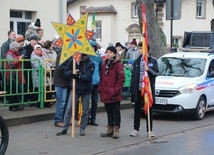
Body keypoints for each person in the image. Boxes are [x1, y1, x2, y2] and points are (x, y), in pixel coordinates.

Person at [56, 54, 95, 136]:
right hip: (75, 88)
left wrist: (78, 76)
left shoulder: (90, 63)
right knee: (69, 109)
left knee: (85, 110)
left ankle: (82, 129)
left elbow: (87, 77)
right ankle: (64, 128)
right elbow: (66, 72)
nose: (80, 58)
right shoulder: (72, 61)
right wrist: (71, 73)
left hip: (86, 89)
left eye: (82, 56)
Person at [129, 42, 159, 137]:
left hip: (147, 90)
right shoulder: (137, 61)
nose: (139, 50)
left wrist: (148, 70)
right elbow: (134, 76)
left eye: (141, 48)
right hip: (138, 89)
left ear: (146, 49)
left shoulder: (153, 61)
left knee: (148, 110)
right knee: (137, 109)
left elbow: (156, 73)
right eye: (139, 48)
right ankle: (136, 129)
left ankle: (150, 130)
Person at [99, 46, 125, 139]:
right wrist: (101, 88)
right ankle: (110, 128)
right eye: (107, 52)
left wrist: (115, 90)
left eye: (110, 52)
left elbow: (121, 79)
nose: (108, 53)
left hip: (114, 92)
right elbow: (102, 77)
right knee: (109, 111)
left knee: (116, 111)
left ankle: (116, 129)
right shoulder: (105, 64)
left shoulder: (118, 65)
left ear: (114, 54)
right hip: (106, 92)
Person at [5, 41, 25, 111]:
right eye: (17, 47)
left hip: (15, 74)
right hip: (11, 74)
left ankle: (16, 105)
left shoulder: (14, 54)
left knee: (16, 90)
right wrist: (19, 59)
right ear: (13, 48)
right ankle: (12, 106)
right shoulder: (9, 54)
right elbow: (11, 64)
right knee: (12, 90)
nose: (18, 49)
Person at [53, 50, 70, 127]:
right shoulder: (62, 54)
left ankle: (64, 119)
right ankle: (58, 120)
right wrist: (70, 71)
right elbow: (61, 68)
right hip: (61, 81)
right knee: (61, 102)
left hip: (66, 82)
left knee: (66, 103)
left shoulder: (69, 54)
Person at [88, 40, 103, 126]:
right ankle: (85, 118)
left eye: (93, 47)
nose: (92, 49)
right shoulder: (85, 57)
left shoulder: (98, 58)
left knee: (94, 101)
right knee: (86, 102)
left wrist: (99, 78)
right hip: (87, 82)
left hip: (96, 82)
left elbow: (101, 69)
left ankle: (93, 118)